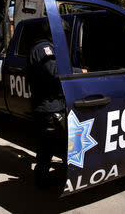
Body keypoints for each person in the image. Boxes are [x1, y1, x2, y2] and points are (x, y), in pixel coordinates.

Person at [27, 19, 85, 187]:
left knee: (49, 144)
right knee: (48, 145)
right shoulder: (44, 48)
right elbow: (54, 71)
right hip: (48, 106)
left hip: (52, 105)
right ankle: (43, 179)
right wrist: (80, 72)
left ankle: (44, 175)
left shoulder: (46, 47)